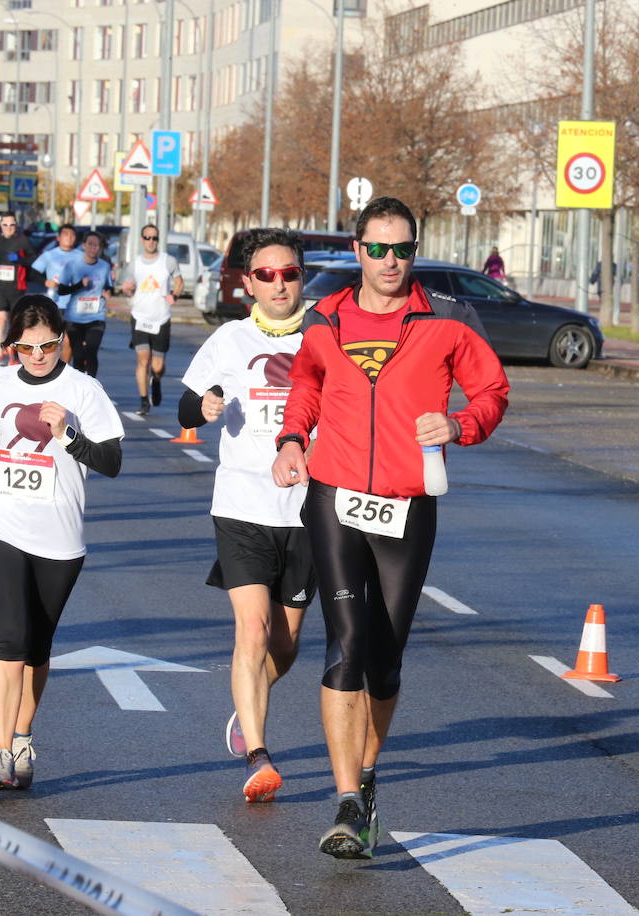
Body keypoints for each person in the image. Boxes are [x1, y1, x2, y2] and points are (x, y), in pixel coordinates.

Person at [271, 197, 510, 859]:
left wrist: (460, 424)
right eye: (377, 248)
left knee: (385, 655)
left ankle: (368, 774)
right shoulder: (326, 317)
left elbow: (492, 392)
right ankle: (348, 799)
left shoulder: (447, 320)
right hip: (336, 492)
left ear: (414, 251)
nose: (389, 261)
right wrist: (293, 438)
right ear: (357, 250)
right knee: (345, 642)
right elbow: (307, 383)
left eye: (401, 249)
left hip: (408, 502)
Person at [0, 294, 124, 790]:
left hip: (59, 536)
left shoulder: (84, 390)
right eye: (26, 347)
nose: (36, 356)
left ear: (63, 342)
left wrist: (67, 433)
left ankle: (22, 737)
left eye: (47, 345)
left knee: (36, 646)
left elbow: (111, 462)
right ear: (12, 345)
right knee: (10, 638)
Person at [179, 228, 313, 804]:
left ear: (300, 277)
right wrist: (202, 407)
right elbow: (185, 403)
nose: (278, 283)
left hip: (310, 510)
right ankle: (258, 754)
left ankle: (247, 705)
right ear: (248, 282)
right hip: (241, 505)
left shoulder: (326, 337)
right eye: (266, 274)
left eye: (288, 273)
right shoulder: (229, 340)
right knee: (252, 630)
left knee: (283, 646)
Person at [121, 224, 183, 415]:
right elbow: (128, 286)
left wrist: (175, 295)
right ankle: (143, 401)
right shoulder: (135, 264)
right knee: (142, 359)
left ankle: (156, 380)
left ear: (158, 240)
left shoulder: (168, 261)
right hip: (139, 317)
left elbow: (179, 282)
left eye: (154, 238)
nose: (151, 241)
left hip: (161, 318)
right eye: (147, 237)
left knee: (157, 366)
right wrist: (128, 289)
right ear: (142, 240)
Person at [56, 231, 113, 377]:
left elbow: (109, 286)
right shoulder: (72, 266)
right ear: (84, 245)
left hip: (96, 316)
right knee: (79, 355)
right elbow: (61, 290)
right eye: (90, 244)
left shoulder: (105, 266)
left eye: (97, 245)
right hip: (75, 318)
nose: (93, 248)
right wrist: (79, 285)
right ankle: (80, 386)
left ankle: (92, 385)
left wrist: (108, 292)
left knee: (92, 351)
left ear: (100, 248)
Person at [0, 212, 37, 367]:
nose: (9, 228)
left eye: (12, 225)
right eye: (5, 225)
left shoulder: (23, 241)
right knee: (0, 320)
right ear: (0, 226)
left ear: (16, 226)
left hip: (17, 288)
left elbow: (34, 258)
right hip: (0, 287)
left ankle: (13, 354)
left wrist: (20, 260)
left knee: (15, 323)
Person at [31, 224, 83, 363]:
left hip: (75, 304)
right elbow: (33, 273)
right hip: (54, 303)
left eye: (72, 235)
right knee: (53, 340)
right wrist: (45, 281)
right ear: (59, 238)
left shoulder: (81, 256)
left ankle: (63, 370)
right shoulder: (50, 255)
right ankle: (51, 367)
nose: (69, 238)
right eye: (66, 235)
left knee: (67, 340)